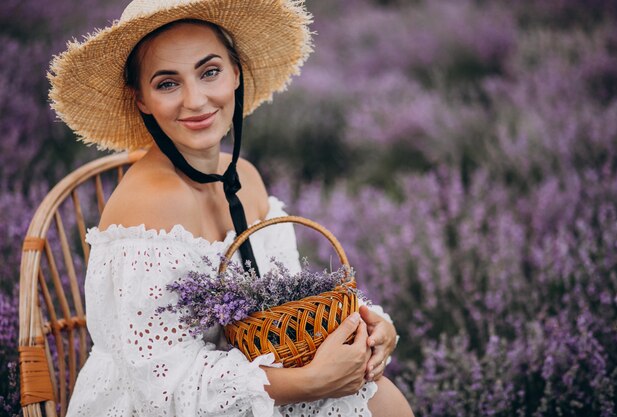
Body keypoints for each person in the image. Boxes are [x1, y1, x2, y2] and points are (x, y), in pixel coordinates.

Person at [49, 0, 414, 416]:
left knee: (383, 400)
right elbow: (164, 386)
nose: (196, 100)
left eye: (210, 72)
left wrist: (367, 326)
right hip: (164, 402)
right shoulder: (146, 208)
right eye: (168, 83)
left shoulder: (247, 177)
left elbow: (286, 303)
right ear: (142, 100)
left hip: (249, 373)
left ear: (236, 73)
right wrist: (308, 382)